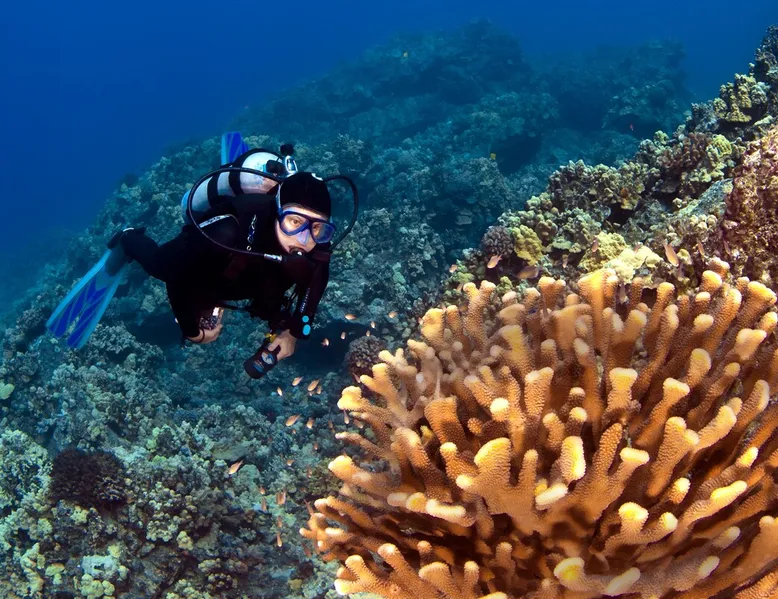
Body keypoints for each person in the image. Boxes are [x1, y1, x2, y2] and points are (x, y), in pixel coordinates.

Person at [47, 133, 356, 375]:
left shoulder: (317, 243)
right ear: (275, 213)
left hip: (248, 272)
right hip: (211, 254)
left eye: (318, 228)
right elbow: (176, 277)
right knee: (159, 265)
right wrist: (192, 330)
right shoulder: (227, 232)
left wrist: (293, 334)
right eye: (294, 222)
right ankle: (128, 239)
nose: (303, 239)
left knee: (276, 288)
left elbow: (314, 285)